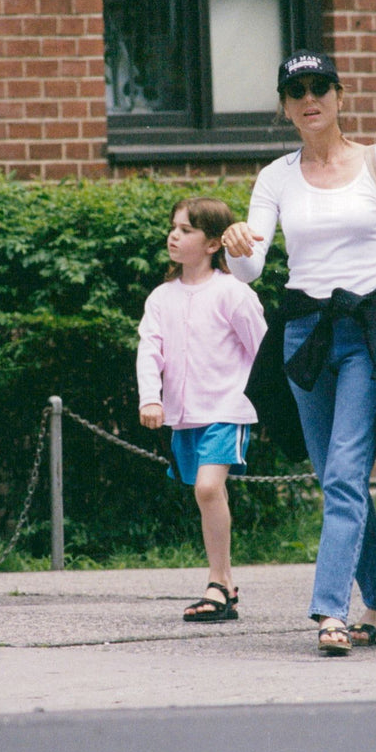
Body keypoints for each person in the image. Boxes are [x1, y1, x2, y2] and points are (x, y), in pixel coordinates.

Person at [222, 49, 376, 655]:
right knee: (334, 476)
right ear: (284, 107)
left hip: (369, 333)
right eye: (296, 91)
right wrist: (236, 246)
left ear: (340, 96)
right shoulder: (275, 176)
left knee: (348, 469)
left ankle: (331, 610)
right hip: (305, 333)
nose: (310, 99)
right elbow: (251, 269)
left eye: (320, 87)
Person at [137, 196, 267, 622]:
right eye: (173, 227)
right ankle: (226, 584)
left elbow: (263, 352)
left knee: (209, 488)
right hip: (184, 414)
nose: (174, 236)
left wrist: (266, 406)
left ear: (213, 244)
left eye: (187, 230)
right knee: (205, 492)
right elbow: (149, 352)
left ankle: (215, 581)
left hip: (228, 408)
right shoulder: (160, 297)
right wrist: (150, 397)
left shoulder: (234, 293)